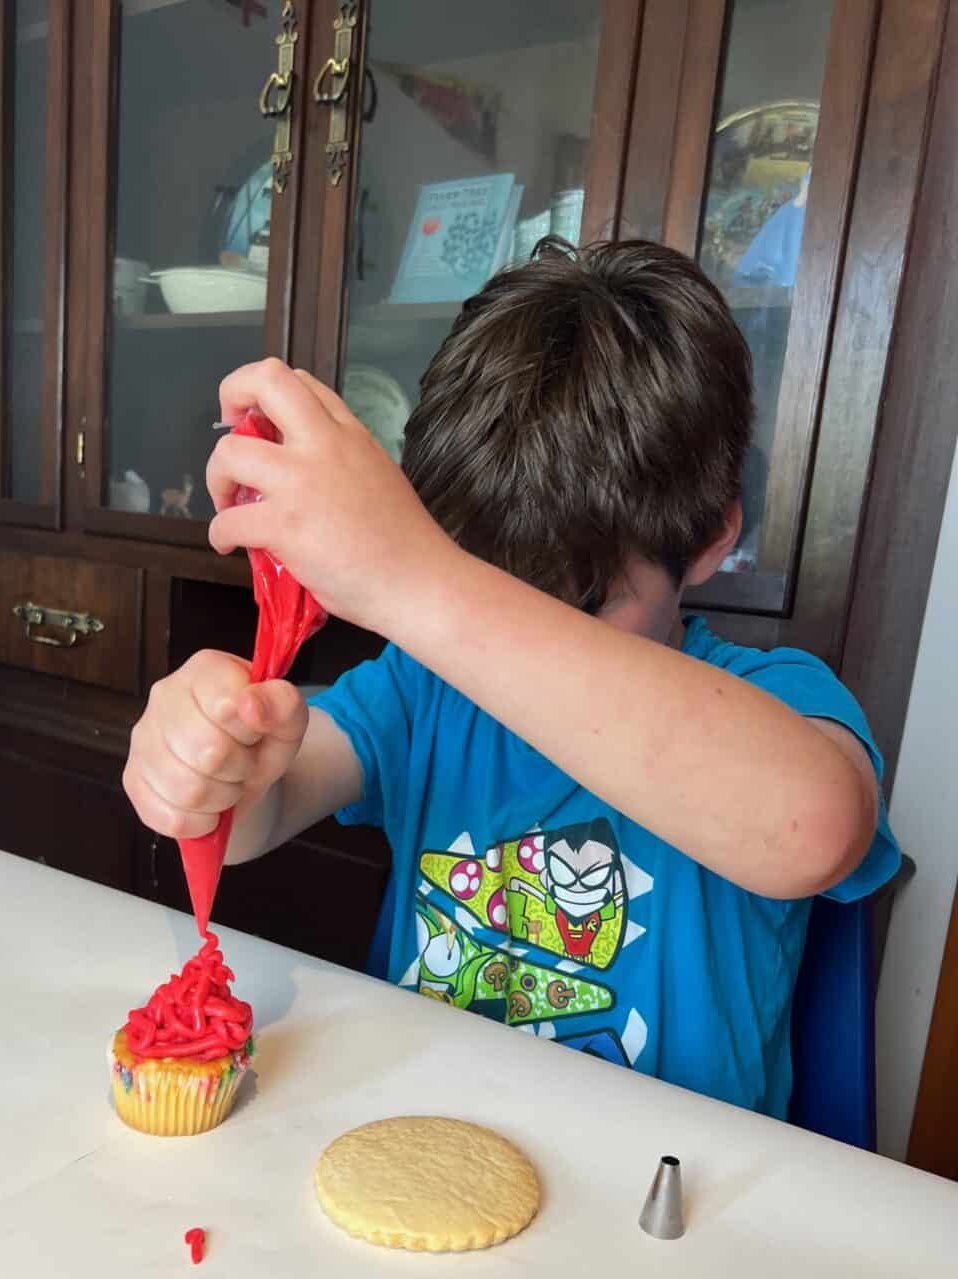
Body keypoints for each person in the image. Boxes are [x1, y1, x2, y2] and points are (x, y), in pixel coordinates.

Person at [123, 239, 900, 1116]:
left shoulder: (779, 697)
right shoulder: (426, 691)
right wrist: (206, 758)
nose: (506, 634)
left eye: (576, 604)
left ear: (714, 538)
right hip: (425, 1157)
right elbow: (264, 801)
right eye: (489, 578)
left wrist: (423, 583)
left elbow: (809, 827)